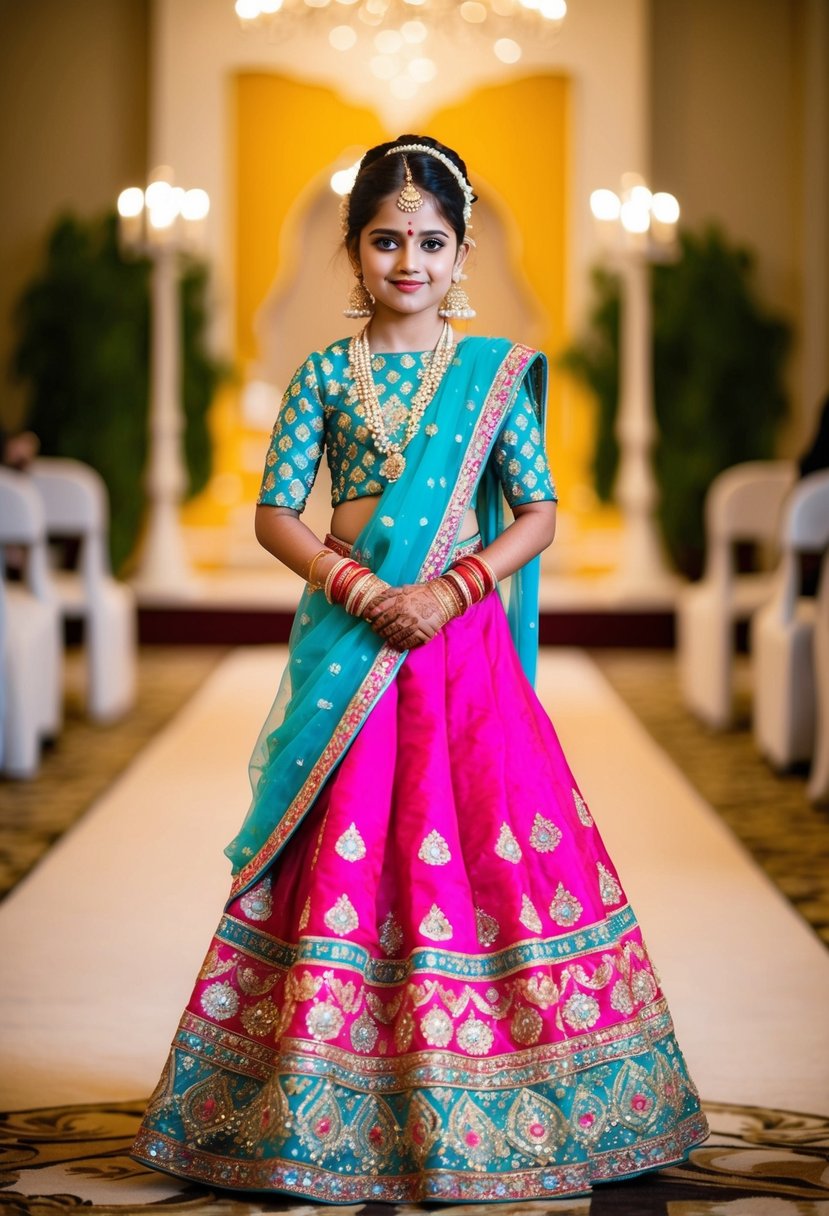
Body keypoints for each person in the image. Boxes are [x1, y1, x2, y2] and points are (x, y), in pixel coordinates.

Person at [132, 135, 707, 1202]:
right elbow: (273, 513)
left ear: (461, 251)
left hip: (462, 655)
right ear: (352, 252)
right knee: (348, 852)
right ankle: (312, 1096)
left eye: (430, 242)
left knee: (482, 849)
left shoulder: (490, 378)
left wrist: (448, 589)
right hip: (354, 648)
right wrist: (360, 589)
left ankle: (516, 1086)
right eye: (386, 239)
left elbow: (537, 511)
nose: (409, 260)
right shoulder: (322, 375)